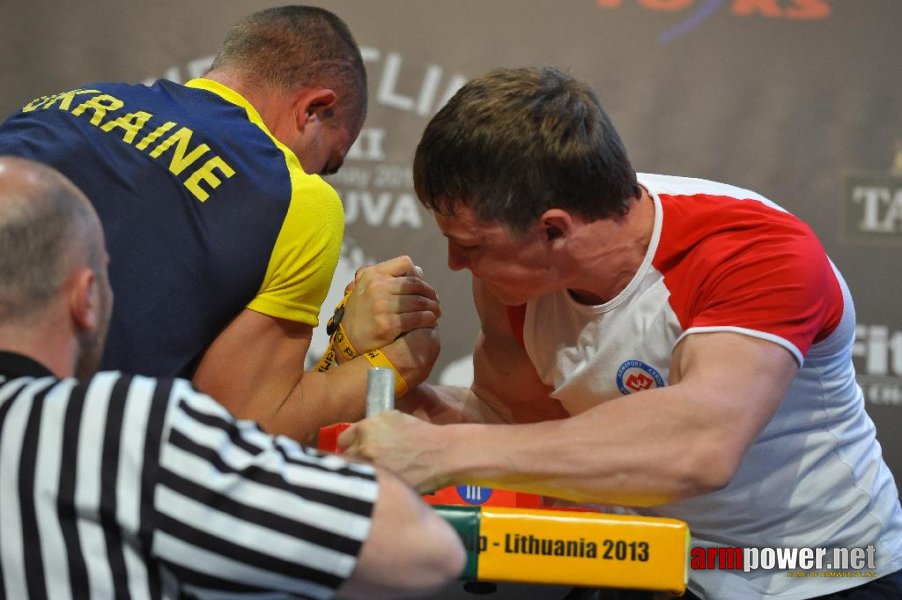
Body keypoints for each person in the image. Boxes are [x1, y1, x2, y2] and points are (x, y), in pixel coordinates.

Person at [338, 66, 902, 599]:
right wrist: (385, 391)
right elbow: (521, 424)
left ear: (554, 229)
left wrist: (440, 449)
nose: (455, 263)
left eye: (472, 243)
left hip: (819, 567)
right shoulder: (515, 279)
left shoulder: (752, 251)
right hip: (660, 562)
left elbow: (701, 448)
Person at [0, 155, 465, 599]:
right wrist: (375, 367)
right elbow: (423, 548)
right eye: (106, 273)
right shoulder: (124, 424)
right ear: (87, 298)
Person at [0, 5, 441, 443]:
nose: (316, 175)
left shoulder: (56, 107)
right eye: (328, 161)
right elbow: (239, 426)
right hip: (46, 460)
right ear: (314, 109)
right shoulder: (294, 196)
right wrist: (400, 362)